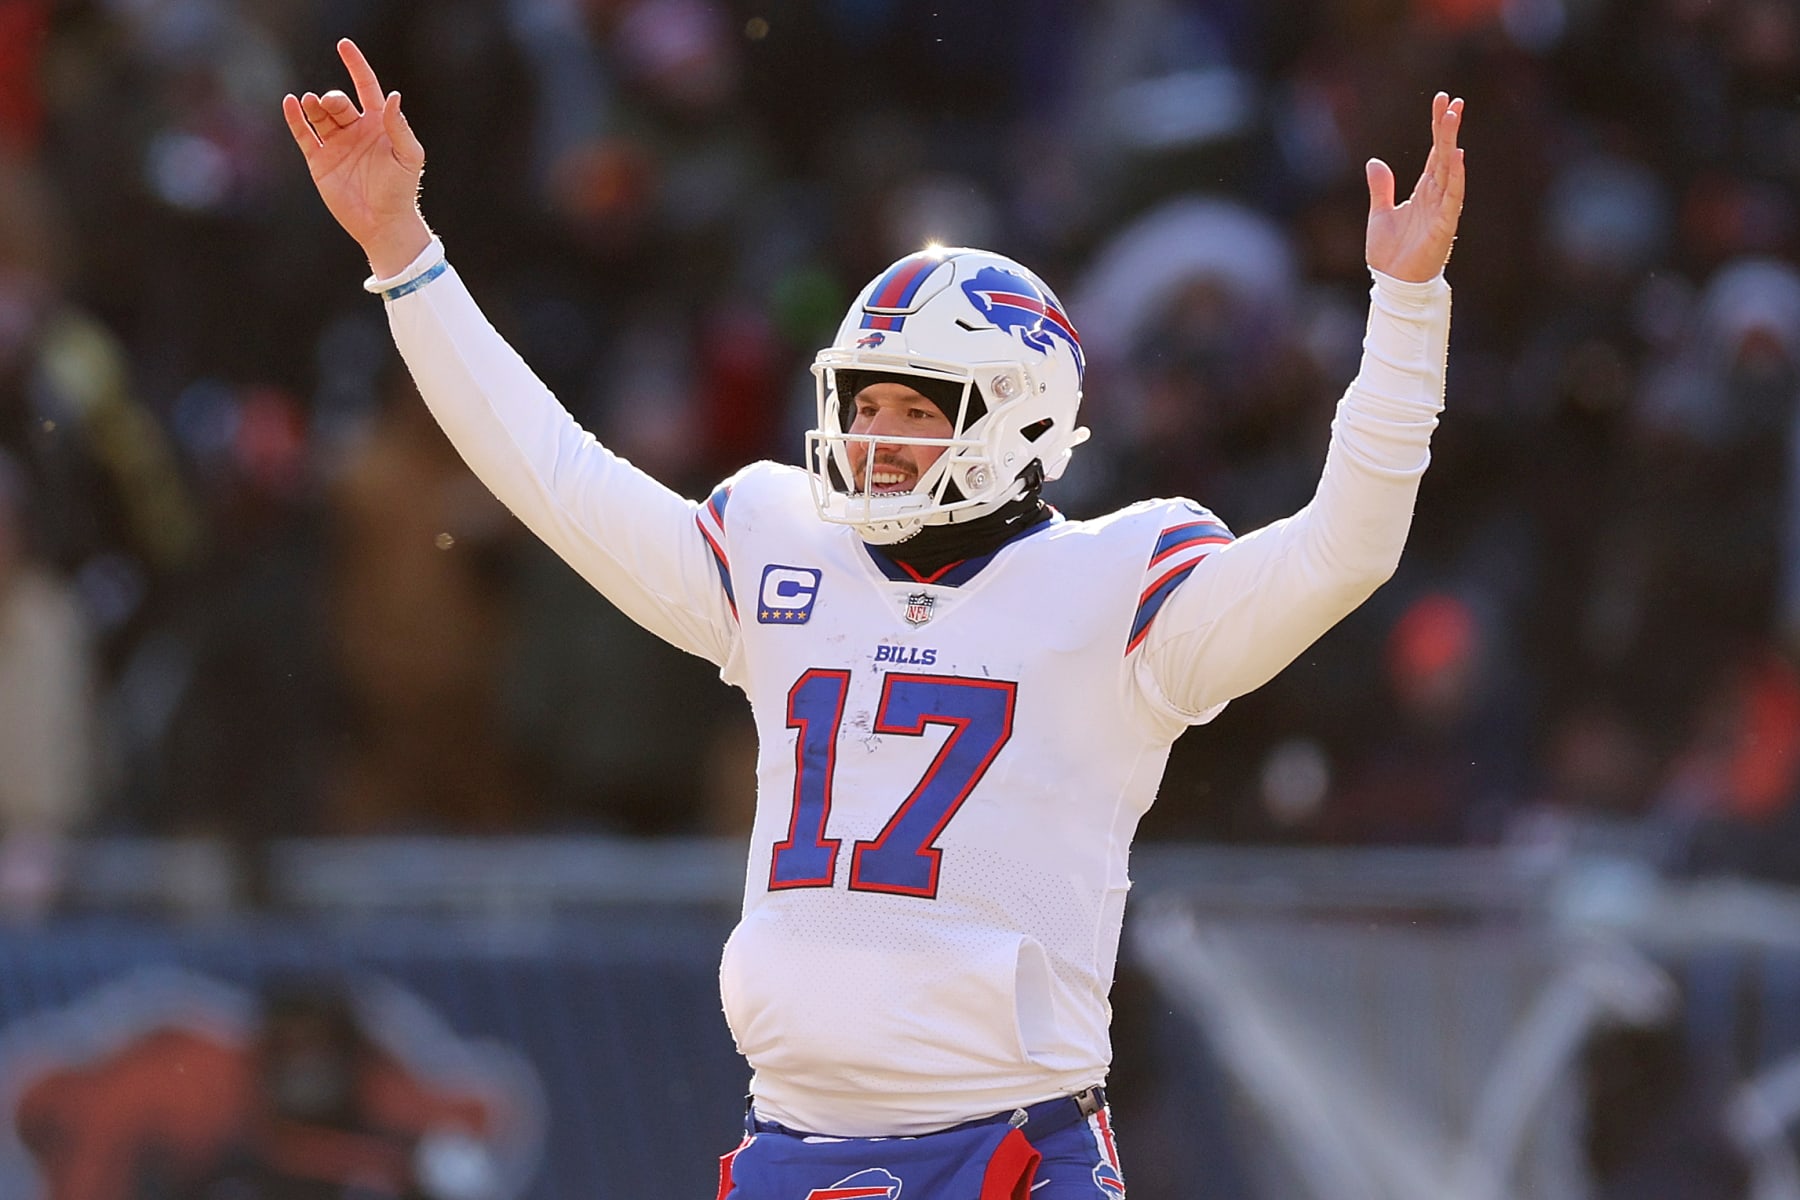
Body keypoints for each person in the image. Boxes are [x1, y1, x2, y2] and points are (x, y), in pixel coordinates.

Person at [283, 38, 1464, 1200]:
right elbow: (552, 475)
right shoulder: (781, 543)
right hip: (796, 1146)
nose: (873, 438)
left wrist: (1406, 309)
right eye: (862, 402)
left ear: (1018, 418)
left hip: (1010, 1152)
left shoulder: (1120, 583)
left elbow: (1341, 553)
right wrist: (404, 251)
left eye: (916, 408)